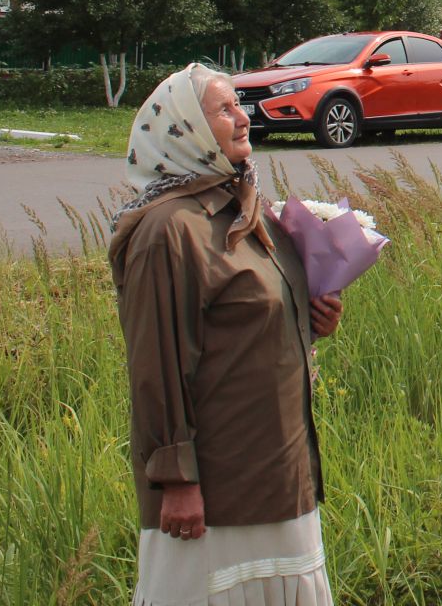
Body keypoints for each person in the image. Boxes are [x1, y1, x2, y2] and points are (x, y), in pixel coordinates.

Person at [108, 63, 346, 606]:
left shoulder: (245, 208)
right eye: (224, 109)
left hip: (279, 473)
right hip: (215, 494)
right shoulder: (168, 230)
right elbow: (157, 364)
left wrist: (312, 319)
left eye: (239, 104)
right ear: (186, 127)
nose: (243, 118)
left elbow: (250, 320)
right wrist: (177, 482)